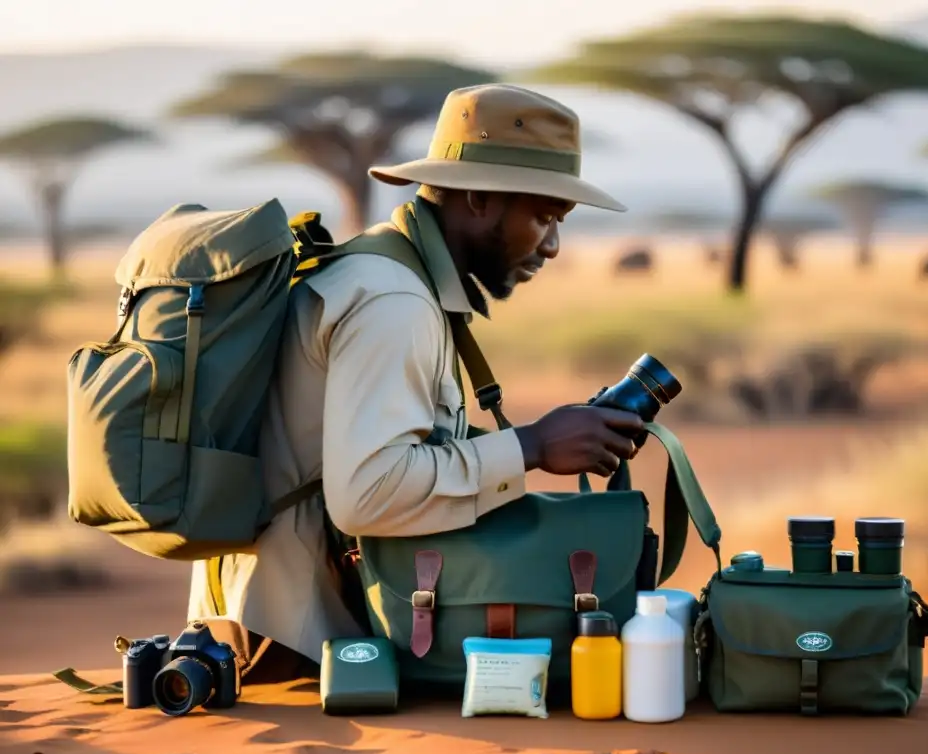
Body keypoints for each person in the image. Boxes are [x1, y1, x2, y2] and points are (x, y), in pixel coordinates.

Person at [186, 83, 643, 674]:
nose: (553, 245)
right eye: (544, 216)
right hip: (295, 636)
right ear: (478, 197)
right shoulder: (393, 300)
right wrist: (530, 446)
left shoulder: (391, 272)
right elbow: (367, 494)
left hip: (280, 619)